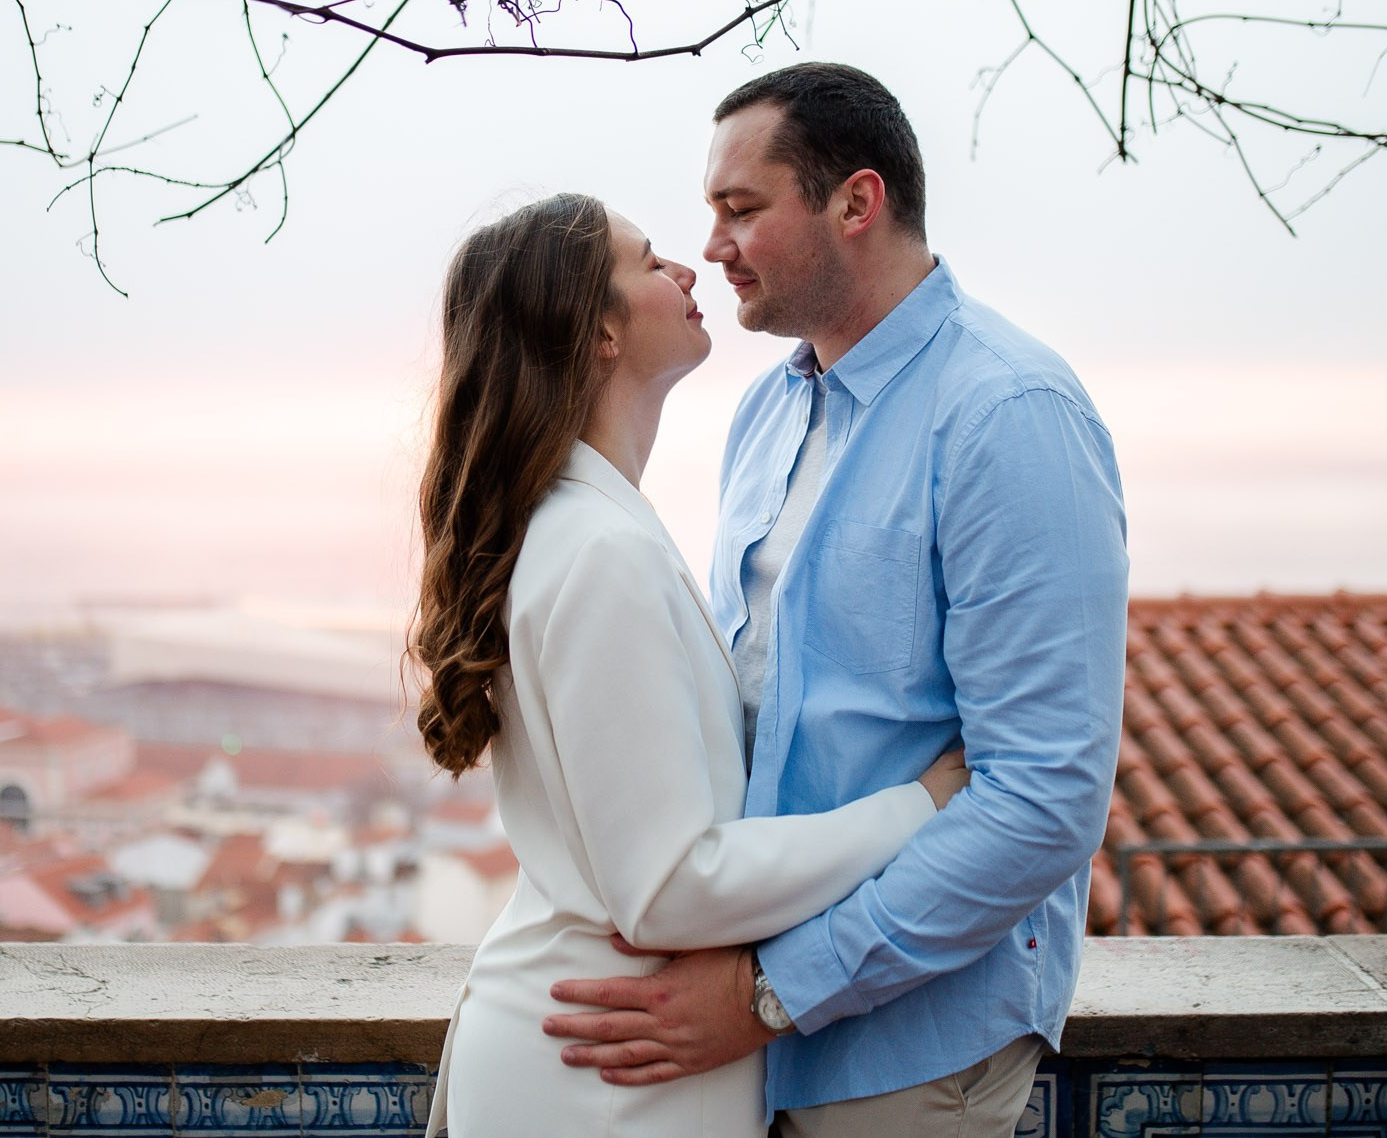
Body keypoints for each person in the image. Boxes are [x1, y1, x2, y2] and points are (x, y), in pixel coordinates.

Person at [541, 64, 1130, 1137]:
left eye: (740, 208)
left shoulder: (1008, 413)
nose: (709, 247)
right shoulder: (765, 414)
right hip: (740, 1029)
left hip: (907, 1046)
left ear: (855, 203)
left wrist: (773, 991)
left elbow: (1043, 799)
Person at [409, 191, 972, 1138]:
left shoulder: (592, 527)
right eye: (650, 260)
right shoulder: (600, 551)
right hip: (604, 1074)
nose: (687, 270)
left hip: (604, 1052)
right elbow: (668, 884)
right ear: (598, 332)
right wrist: (916, 807)